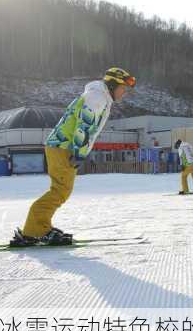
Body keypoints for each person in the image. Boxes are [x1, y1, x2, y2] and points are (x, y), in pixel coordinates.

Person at [13, 67, 136, 246]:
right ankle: (34, 230)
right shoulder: (97, 98)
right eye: (123, 88)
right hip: (63, 147)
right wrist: (79, 152)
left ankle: (40, 226)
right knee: (60, 191)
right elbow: (84, 125)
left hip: (61, 146)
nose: (124, 93)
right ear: (112, 85)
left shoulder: (98, 95)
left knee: (61, 190)